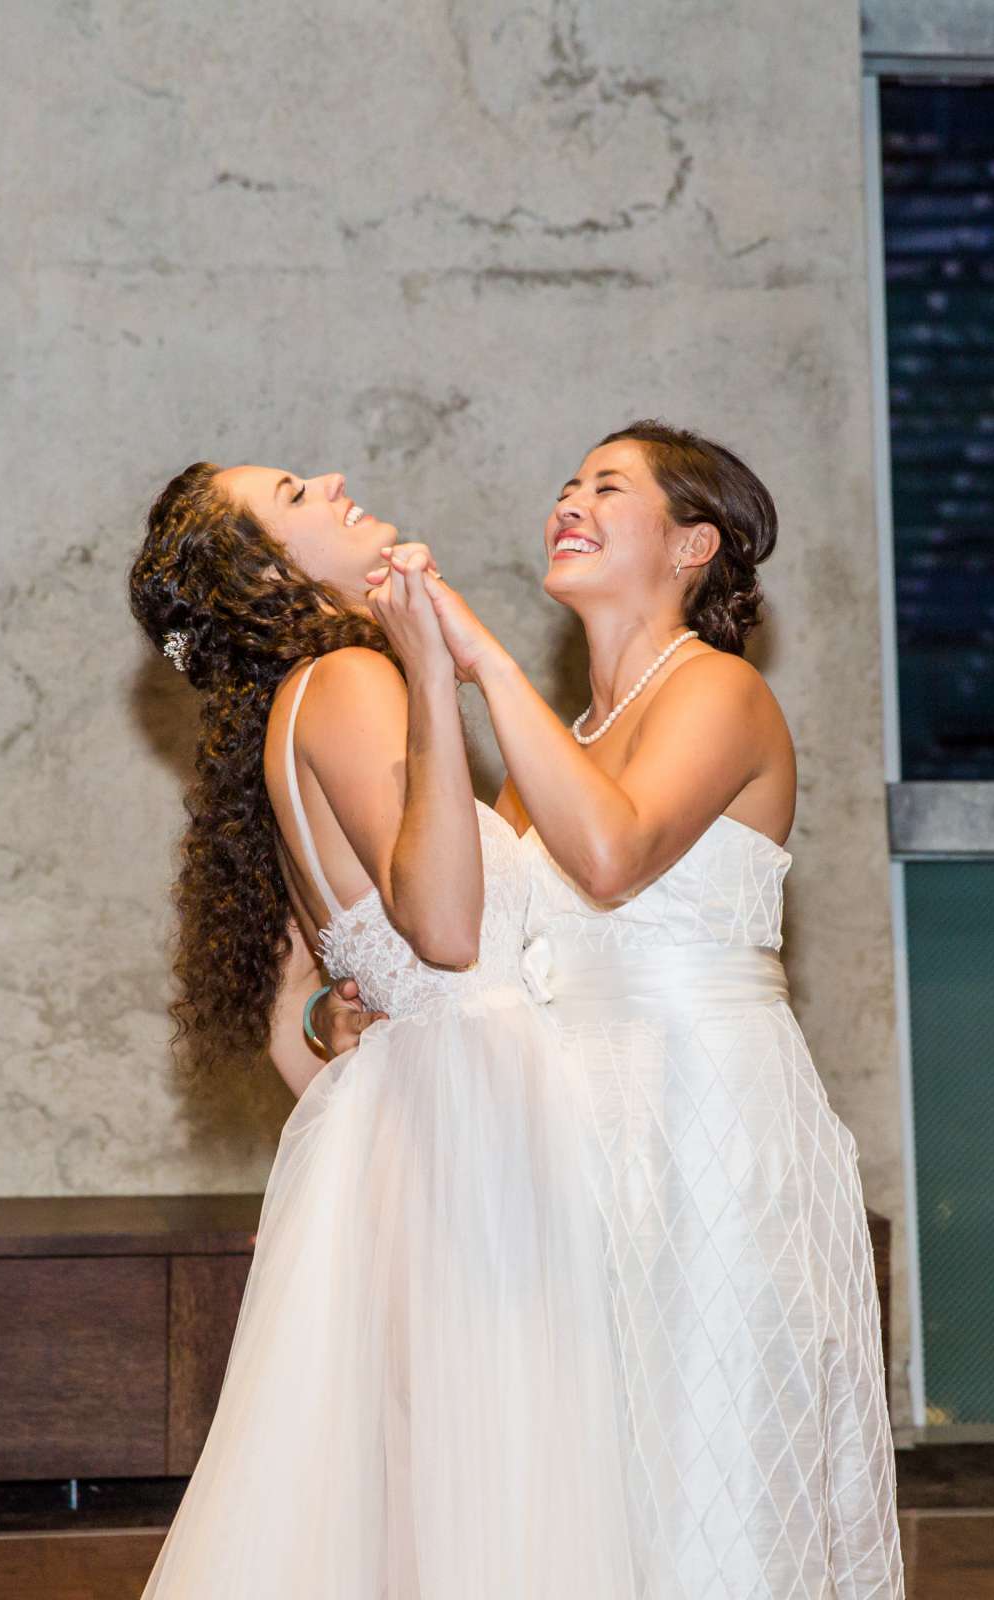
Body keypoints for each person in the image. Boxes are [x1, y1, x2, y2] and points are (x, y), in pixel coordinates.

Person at [375, 421, 904, 1598]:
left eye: (607, 487)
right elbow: (457, 930)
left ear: (691, 544)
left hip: (708, 1125)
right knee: (595, 1472)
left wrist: (484, 662)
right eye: (566, 484)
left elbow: (611, 855)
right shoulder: (553, 746)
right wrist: (421, 676)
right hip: (573, 1128)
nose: (569, 500)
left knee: (711, 1456)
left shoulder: (724, 693)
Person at [127, 462, 635, 1597]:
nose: (338, 479)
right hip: (483, 1121)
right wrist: (424, 671)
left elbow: (290, 1031)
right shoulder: (354, 680)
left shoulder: (294, 708)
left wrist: (361, 1057)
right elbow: (449, 930)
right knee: (508, 1486)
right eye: (299, 493)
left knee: (433, 1495)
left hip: (426, 1117)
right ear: (270, 570)